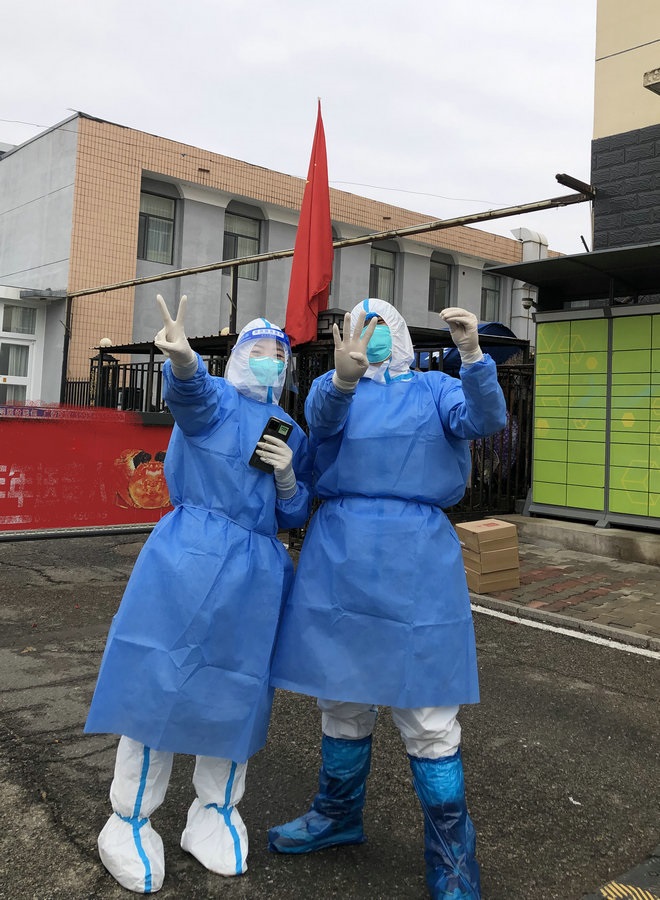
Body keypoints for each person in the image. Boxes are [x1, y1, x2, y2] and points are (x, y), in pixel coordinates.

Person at [268, 298, 507, 900]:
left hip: (416, 558)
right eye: (362, 325)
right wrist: (344, 379)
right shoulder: (333, 387)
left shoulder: (435, 388)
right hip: (341, 554)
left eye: (382, 326)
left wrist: (474, 357)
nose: (373, 334)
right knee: (341, 696)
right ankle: (337, 815)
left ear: (399, 333)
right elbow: (320, 422)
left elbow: (484, 419)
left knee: (427, 709)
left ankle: (452, 856)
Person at [85, 294, 311, 894]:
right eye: (258, 350)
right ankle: (129, 819)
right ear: (238, 357)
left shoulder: (288, 428)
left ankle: (214, 812)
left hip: (257, 573)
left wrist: (289, 477)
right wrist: (184, 360)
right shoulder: (217, 404)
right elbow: (192, 396)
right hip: (187, 559)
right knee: (159, 681)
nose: (269, 361)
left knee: (238, 691)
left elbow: (293, 512)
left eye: (278, 354)